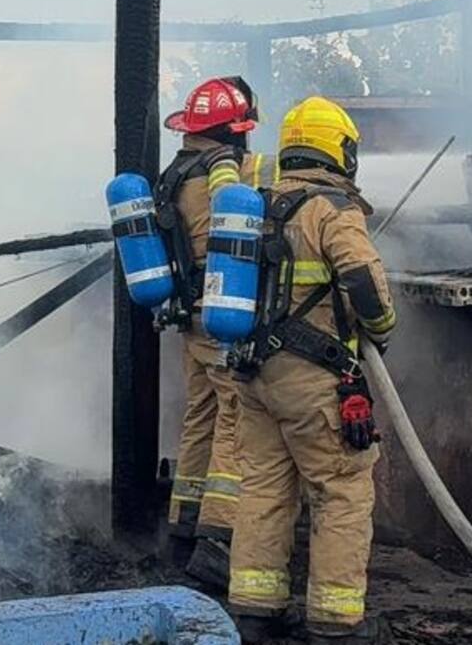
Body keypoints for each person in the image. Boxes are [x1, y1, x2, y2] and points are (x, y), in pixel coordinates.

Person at [226, 96, 396, 644]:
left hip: (255, 374)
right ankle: (336, 622)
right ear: (339, 151)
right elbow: (365, 284)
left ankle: (254, 610)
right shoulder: (331, 209)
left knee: (264, 488)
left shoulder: (258, 201)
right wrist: (383, 330)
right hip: (314, 378)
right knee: (342, 489)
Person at [157, 77, 274, 575]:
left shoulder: (175, 170)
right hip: (221, 309)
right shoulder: (224, 168)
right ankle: (219, 540)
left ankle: (184, 523)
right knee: (237, 418)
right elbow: (238, 212)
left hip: (190, 313)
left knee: (200, 415)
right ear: (233, 130)